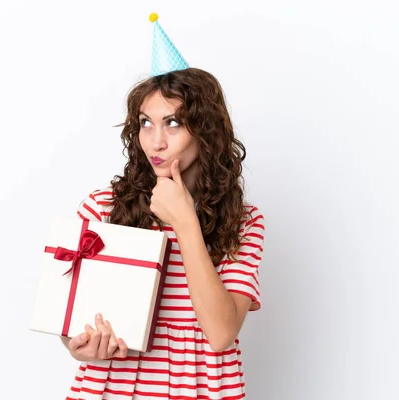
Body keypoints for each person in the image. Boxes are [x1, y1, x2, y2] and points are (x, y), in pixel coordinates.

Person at [59, 14, 265, 399]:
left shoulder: (244, 222)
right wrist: (77, 345)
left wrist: (185, 223)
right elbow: (69, 317)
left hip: (199, 388)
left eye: (172, 123)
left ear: (206, 130)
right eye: (145, 123)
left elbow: (221, 334)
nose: (155, 142)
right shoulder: (102, 207)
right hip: (113, 387)